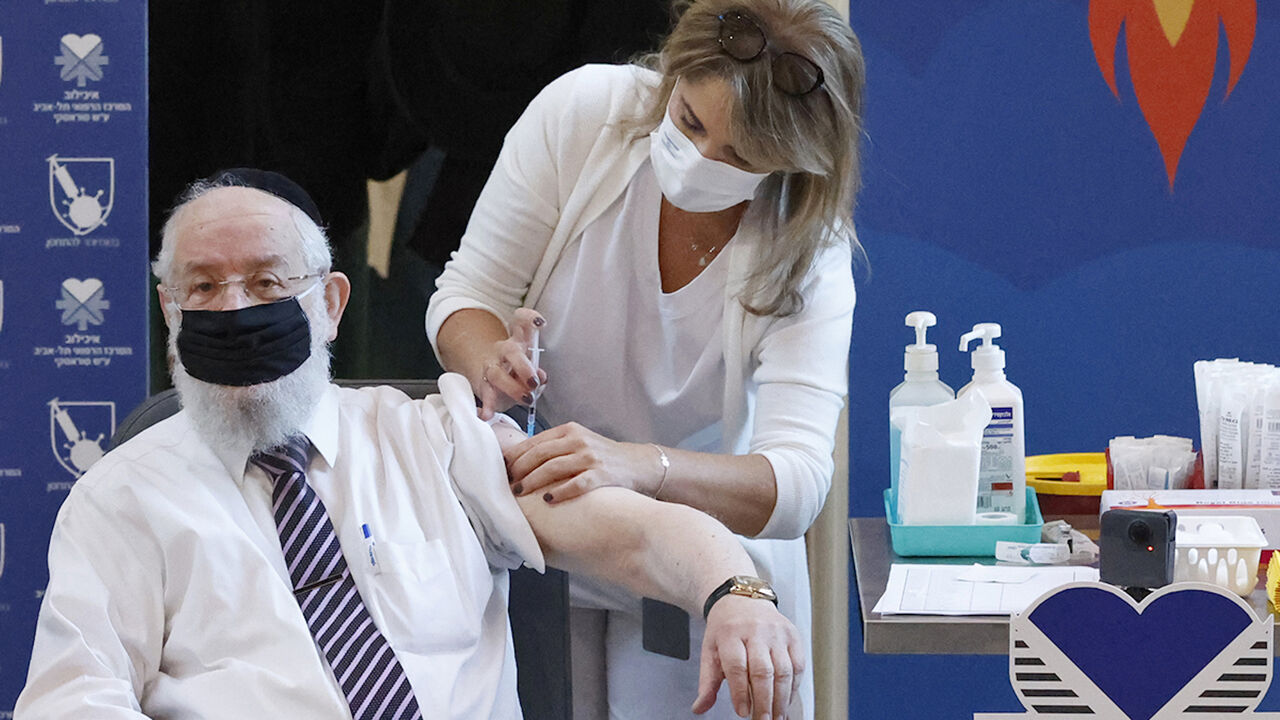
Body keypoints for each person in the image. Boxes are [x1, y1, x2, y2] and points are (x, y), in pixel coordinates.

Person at [15, 171, 805, 720]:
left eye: (265, 283)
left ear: (329, 304)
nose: (235, 308)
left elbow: (628, 530)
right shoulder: (120, 498)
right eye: (205, 287)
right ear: (170, 311)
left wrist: (735, 589)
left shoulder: (436, 441)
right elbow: (74, 695)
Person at [425, 0, 864, 717]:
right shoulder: (585, 113)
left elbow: (797, 482)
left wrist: (640, 465)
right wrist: (490, 360)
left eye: (742, 158)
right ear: (671, 75)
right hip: (540, 519)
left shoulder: (807, 248)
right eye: (690, 122)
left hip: (702, 554)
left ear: (791, 161)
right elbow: (466, 294)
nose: (700, 163)